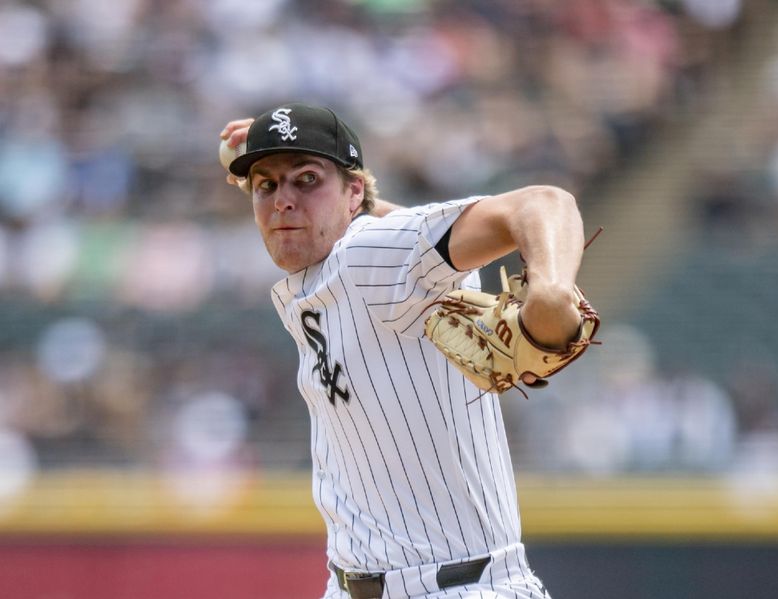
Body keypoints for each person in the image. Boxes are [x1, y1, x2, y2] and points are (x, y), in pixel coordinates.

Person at [219, 102, 585, 599]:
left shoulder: (370, 252)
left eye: (306, 180)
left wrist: (551, 290)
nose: (282, 200)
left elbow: (544, 203)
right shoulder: (323, 268)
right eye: (266, 185)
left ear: (352, 195)